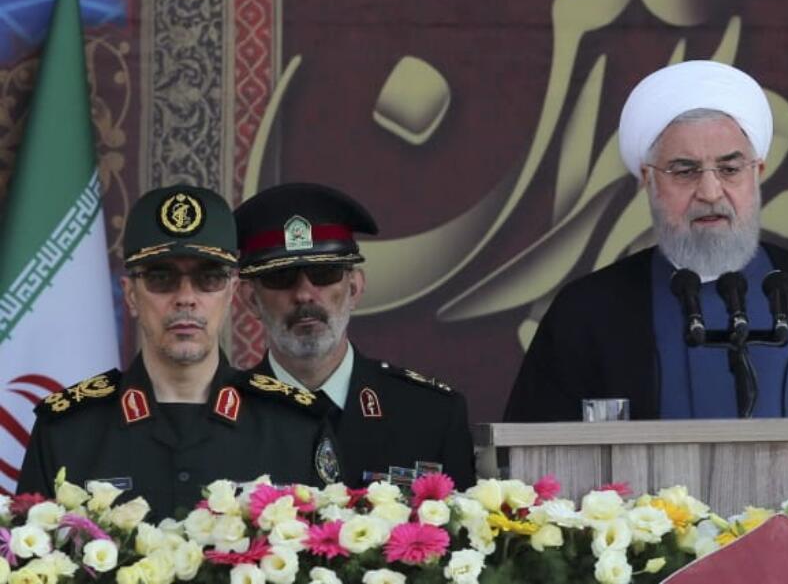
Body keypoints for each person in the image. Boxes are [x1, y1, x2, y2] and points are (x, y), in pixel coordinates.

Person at [504, 60, 788, 421]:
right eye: (685, 170)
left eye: (730, 169)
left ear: (757, 172)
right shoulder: (589, 312)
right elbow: (536, 474)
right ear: (648, 179)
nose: (711, 191)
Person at [18, 185, 339, 519]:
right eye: (161, 278)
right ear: (130, 295)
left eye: (208, 278)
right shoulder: (68, 432)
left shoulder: (294, 427)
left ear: (231, 292)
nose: (186, 297)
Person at [234, 182, 475, 489]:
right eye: (281, 278)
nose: (305, 294)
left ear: (354, 288)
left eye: (324, 274)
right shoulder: (220, 418)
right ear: (251, 299)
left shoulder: (431, 414)